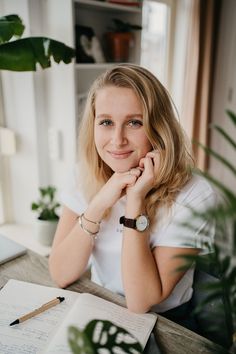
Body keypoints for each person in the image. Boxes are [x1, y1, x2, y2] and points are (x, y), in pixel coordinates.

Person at [49, 64, 216, 326]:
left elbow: (141, 301)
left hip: (167, 322)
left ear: (158, 127)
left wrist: (135, 200)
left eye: (134, 122)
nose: (117, 139)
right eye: (106, 122)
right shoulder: (82, 174)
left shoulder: (196, 195)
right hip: (99, 302)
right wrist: (102, 200)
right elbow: (60, 273)